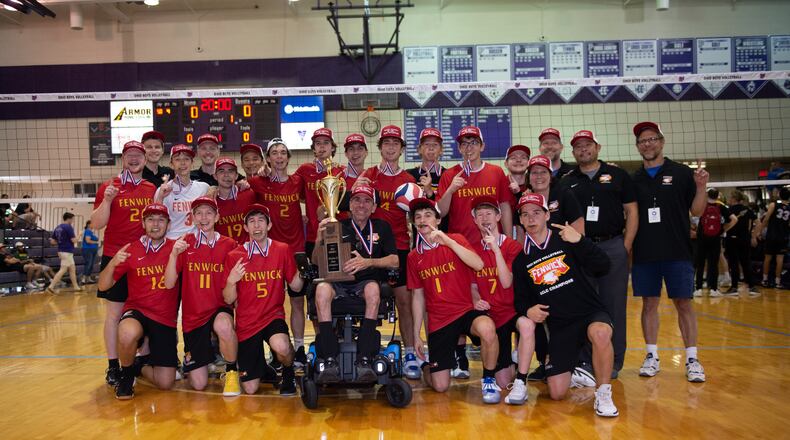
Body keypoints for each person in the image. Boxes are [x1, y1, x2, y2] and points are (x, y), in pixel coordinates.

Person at [512, 193, 618, 417]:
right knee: (557, 392)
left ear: (547, 215)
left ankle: (604, 393)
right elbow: (520, 299)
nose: (531, 219)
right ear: (520, 220)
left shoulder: (566, 240)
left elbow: (603, 265)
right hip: (561, 325)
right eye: (525, 214)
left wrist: (580, 241)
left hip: (590, 312)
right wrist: (527, 310)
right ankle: (578, 368)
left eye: (536, 213)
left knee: (600, 333)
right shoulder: (522, 260)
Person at [630, 121, 709, 383]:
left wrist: (700, 187)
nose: (648, 144)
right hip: (645, 252)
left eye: (652, 139)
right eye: (643, 141)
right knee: (649, 303)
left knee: (683, 303)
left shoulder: (682, 173)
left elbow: (697, 211)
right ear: (638, 146)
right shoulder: (633, 179)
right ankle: (651, 356)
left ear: (661, 142)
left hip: (678, 251)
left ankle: (692, 358)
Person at [559, 129, 638, 382]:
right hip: (580, 250)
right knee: (581, 306)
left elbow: (632, 212)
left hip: (611, 246)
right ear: (573, 152)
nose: (583, 150)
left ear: (598, 147)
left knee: (614, 304)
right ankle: (583, 361)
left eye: (588, 145)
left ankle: (613, 362)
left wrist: (625, 245)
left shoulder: (618, 175)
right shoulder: (567, 180)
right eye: (578, 147)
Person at [406, 197, 502, 404]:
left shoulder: (456, 239)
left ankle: (488, 379)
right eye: (418, 217)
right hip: (440, 320)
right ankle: (426, 366)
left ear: (438, 220)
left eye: (428, 215)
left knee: (487, 327)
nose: (423, 220)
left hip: (466, 310)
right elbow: (417, 297)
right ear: (414, 224)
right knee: (440, 386)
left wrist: (448, 242)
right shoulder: (413, 257)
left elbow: (477, 264)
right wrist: (416, 336)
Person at [352, 125, 421, 379]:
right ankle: (363, 350)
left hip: (399, 249)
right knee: (363, 297)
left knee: (404, 301)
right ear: (380, 148)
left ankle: (411, 352)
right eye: (386, 143)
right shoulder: (368, 176)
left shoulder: (409, 182)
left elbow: (419, 217)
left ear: (401, 149)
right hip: (369, 247)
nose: (390, 147)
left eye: (396, 143)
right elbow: (351, 206)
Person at [312, 186, 399, 383]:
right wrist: (318, 239)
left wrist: (368, 262)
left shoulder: (382, 227)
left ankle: (364, 359)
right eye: (357, 200)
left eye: (367, 201)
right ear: (349, 205)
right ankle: (330, 359)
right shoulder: (336, 225)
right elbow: (317, 261)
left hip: (365, 282)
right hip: (337, 282)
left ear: (374, 206)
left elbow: (395, 260)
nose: (361, 204)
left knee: (373, 290)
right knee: (321, 290)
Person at [97, 203, 179, 400]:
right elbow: (102, 286)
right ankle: (125, 376)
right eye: (151, 219)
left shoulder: (176, 248)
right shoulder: (131, 250)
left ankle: (138, 366)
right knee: (126, 332)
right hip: (138, 311)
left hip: (164, 319)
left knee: (166, 383)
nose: (156, 224)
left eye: (161, 220)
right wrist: (113, 262)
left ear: (168, 224)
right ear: (143, 223)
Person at [91, 140, 157, 386]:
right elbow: (97, 224)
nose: (133, 158)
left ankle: (142, 358)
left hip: (145, 258)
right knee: (114, 314)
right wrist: (107, 200)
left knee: (146, 309)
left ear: (144, 158)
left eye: (137, 154)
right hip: (116, 258)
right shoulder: (109, 186)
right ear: (122, 159)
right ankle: (112, 365)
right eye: (129, 154)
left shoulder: (151, 187)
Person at [222, 204, 305, 395]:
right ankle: (264, 369)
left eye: (261, 220)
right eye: (251, 221)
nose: (256, 225)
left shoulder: (282, 249)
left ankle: (288, 371)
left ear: (269, 225)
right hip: (247, 322)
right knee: (250, 389)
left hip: (272, 316)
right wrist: (231, 281)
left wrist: (303, 271)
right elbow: (228, 298)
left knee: (282, 347)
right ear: (245, 227)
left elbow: (296, 287)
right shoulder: (235, 256)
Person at [164, 197, 240, 395]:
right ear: (192, 218)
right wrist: (173, 255)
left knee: (224, 325)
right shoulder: (184, 244)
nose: (203, 217)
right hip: (193, 315)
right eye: (198, 213)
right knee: (198, 384)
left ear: (217, 217)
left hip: (218, 307)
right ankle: (203, 361)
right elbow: (169, 283)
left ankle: (231, 372)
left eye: (208, 213)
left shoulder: (230, 244)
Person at [468, 196, 535, 404]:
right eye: (480, 215)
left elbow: (506, 282)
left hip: (510, 311)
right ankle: (510, 363)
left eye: (489, 213)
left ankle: (521, 379)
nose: (485, 218)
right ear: (475, 220)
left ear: (498, 216)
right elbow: (472, 286)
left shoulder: (512, 247)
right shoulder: (471, 249)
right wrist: (477, 300)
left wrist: (495, 249)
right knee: (503, 381)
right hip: (490, 316)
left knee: (527, 325)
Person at [524, 154, 584, 381]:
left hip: (562, 264)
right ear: (529, 177)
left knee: (565, 313)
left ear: (551, 175)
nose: (538, 176)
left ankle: (575, 361)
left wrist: (573, 259)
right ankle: (543, 362)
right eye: (535, 172)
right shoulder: (526, 199)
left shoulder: (564, 195)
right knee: (539, 313)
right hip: (537, 265)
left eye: (543, 172)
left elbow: (579, 229)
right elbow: (522, 232)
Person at [294, 128, 346, 260]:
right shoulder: (304, 170)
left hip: (339, 233)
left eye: (326, 143)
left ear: (333, 148)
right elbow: (291, 189)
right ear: (313, 149)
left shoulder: (341, 171)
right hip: (313, 234)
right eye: (318, 143)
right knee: (315, 274)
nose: (322, 146)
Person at [155, 144, 211, 239]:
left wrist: (215, 188)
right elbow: (156, 221)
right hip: (172, 241)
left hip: (196, 242)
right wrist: (160, 198)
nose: (182, 163)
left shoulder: (204, 188)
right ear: (171, 164)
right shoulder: (162, 190)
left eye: (186, 159)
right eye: (177, 159)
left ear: (192, 163)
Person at [693, 188, 737, 297]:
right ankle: (713, 289)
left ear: (707, 195)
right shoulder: (721, 207)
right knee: (713, 264)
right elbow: (734, 219)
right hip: (715, 238)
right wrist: (723, 230)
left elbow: (694, 216)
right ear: (717, 196)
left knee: (700, 263)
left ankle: (698, 288)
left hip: (702, 237)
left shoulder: (702, 206)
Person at [406, 128, 448, 229]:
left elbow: (446, 210)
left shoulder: (448, 175)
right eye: (427, 144)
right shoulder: (409, 175)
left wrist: (430, 193)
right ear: (419, 149)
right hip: (418, 237)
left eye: (435, 145)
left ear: (441, 150)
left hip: (443, 236)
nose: (431, 148)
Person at [724, 190, 759, 295]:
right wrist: (753, 236)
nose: (729, 199)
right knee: (746, 262)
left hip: (732, 239)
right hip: (745, 239)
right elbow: (758, 222)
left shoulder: (728, 210)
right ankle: (751, 286)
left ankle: (734, 287)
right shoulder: (747, 210)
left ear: (734, 199)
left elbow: (725, 225)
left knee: (733, 263)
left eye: (730, 197)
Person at [754, 186, 790, 289]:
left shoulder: (773, 205)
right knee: (780, 259)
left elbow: (766, 219)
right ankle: (777, 282)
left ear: (779, 195)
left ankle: (765, 280)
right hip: (783, 237)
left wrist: (760, 232)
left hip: (772, 236)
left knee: (768, 258)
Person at [214, 157, 256, 244]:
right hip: (224, 253)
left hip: (247, 251)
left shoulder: (249, 195)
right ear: (215, 176)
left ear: (236, 175)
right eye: (221, 171)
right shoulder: (211, 202)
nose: (226, 174)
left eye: (231, 171)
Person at [46, 212, 81, 294]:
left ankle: (76, 287)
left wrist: (60, 241)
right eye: (72, 219)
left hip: (62, 251)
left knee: (72, 269)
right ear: (69, 219)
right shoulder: (68, 227)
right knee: (63, 270)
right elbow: (74, 240)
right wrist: (79, 235)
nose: (73, 221)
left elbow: (53, 242)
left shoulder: (58, 227)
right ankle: (50, 287)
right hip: (67, 251)